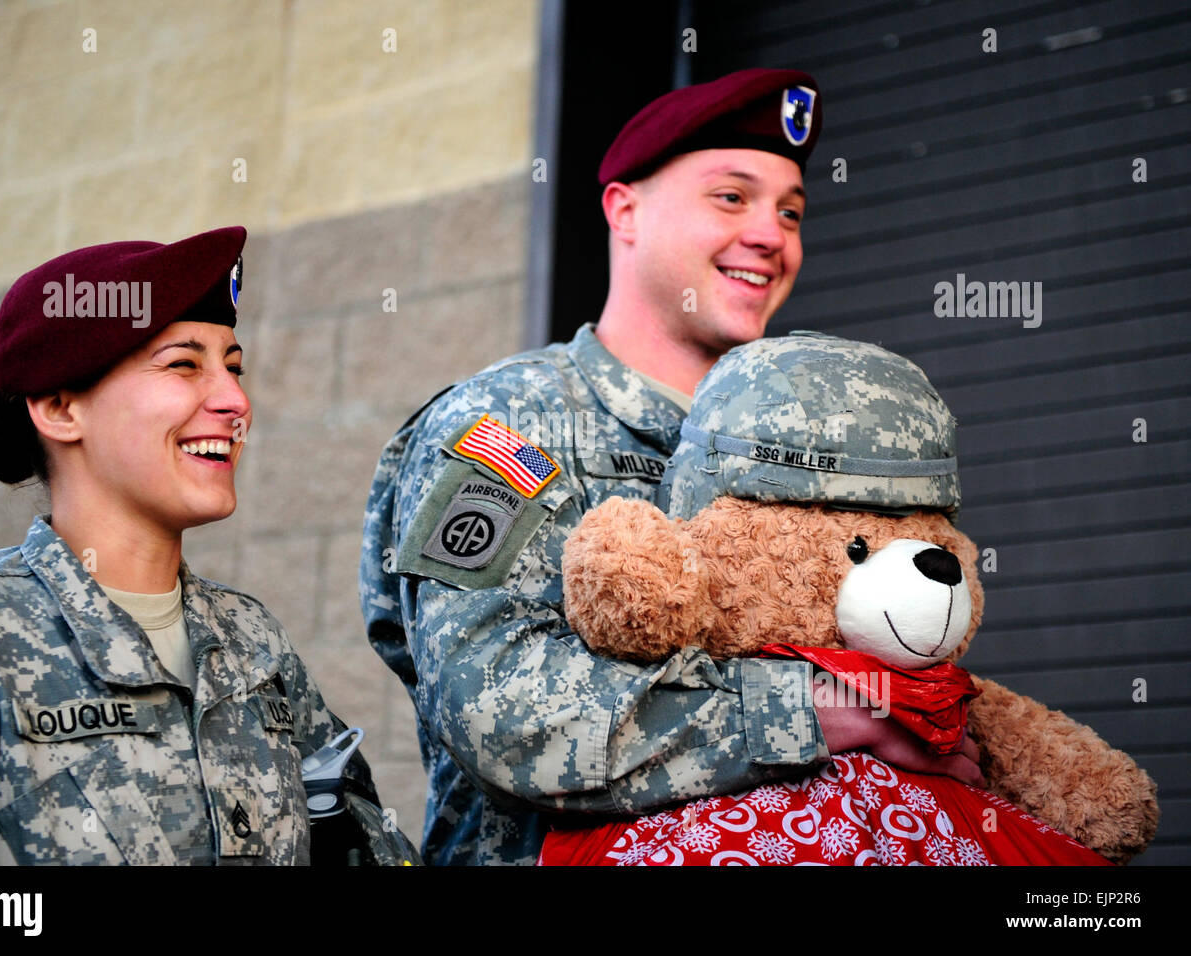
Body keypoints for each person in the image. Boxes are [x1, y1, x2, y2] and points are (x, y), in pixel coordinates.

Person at [360, 68, 982, 866]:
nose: (772, 233)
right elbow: (495, 707)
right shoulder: (510, 426)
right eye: (732, 197)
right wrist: (826, 713)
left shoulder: (808, 439)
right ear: (625, 210)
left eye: (791, 211)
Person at [0, 227, 417, 865]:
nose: (235, 400)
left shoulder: (253, 641)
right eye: (183, 364)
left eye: (234, 366)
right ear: (60, 408)